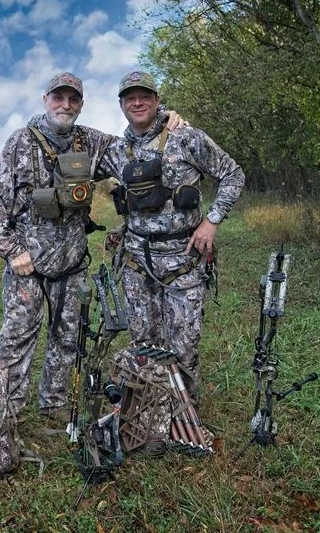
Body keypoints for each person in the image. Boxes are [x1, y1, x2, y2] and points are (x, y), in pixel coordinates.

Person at [0, 72, 185, 422]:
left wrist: (165, 116)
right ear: (45, 100)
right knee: (17, 339)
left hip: (72, 262)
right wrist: (11, 250)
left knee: (67, 338)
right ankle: (8, 413)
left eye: (73, 99)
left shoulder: (91, 142)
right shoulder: (20, 142)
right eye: (58, 97)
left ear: (80, 104)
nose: (65, 104)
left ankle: (54, 404)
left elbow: (138, 145)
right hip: (27, 265)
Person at [99, 70, 245, 401]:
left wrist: (212, 221)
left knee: (184, 346)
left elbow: (233, 174)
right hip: (137, 265)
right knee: (144, 346)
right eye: (130, 98)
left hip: (184, 263)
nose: (138, 103)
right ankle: (149, 411)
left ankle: (184, 413)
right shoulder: (116, 150)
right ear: (121, 105)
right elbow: (72, 151)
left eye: (145, 96)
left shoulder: (187, 137)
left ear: (157, 100)